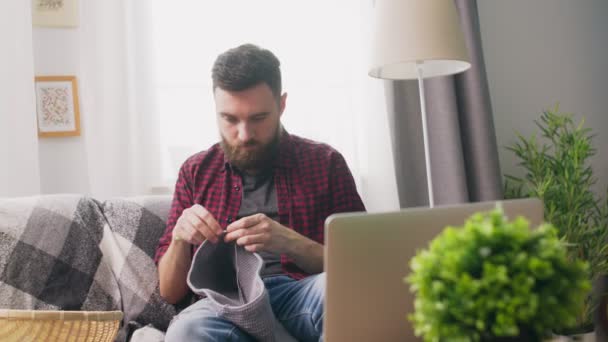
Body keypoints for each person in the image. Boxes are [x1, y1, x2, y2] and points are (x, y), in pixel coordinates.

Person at [155, 43, 365, 341]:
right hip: (224, 306)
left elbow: (359, 269)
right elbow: (169, 291)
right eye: (229, 119)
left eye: (258, 118)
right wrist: (178, 238)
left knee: (343, 294)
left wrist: (288, 241)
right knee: (187, 331)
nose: (244, 135)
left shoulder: (326, 163)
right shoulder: (195, 171)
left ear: (281, 105)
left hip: (302, 293)